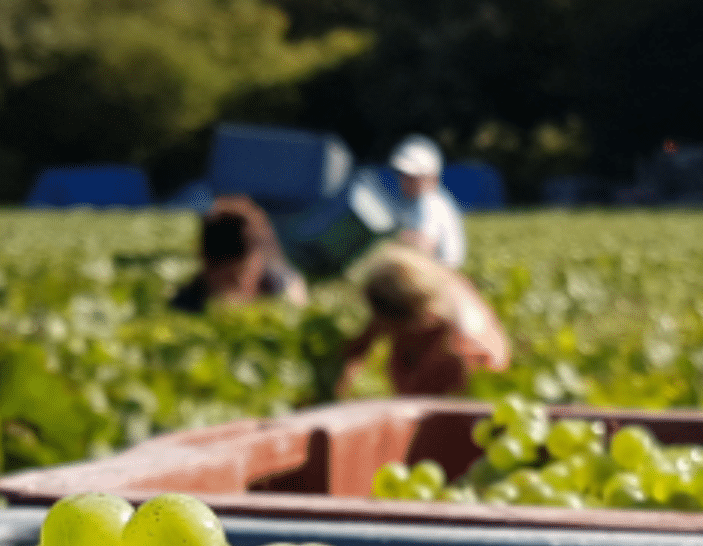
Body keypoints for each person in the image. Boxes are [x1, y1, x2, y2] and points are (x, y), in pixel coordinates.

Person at [336, 242, 510, 397]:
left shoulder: (463, 351)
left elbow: (427, 413)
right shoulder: (407, 283)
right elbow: (361, 344)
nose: (383, 327)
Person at [171, 195, 308, 313]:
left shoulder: (281, 290)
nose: (231, 295)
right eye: (232, 279)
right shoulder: (185, 302)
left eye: (237, 280)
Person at [389, 135, 467, 269]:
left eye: (412, 177)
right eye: (402, 175)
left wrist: (390, 241)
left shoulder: (429, 202)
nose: (404, 181)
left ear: (430, 177)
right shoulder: (426, 200)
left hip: (440, 275)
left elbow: (424, 246)